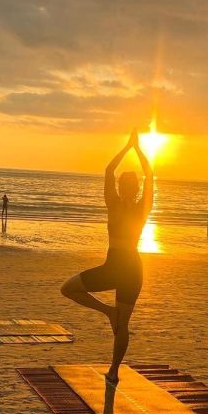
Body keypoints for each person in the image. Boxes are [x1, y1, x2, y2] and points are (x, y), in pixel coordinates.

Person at [61, 129, 153, 384]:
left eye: (129, 185)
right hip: (114, 266)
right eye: (123, 185)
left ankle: (114, 370)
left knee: (122, 326)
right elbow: (108, 171)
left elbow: (150, 176)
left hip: (131, 269)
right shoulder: (113, 203)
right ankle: (107, 312)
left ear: (134, 189)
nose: (125, 188)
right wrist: (127, 147)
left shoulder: (142, 207)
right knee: (68, 289)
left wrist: (138, 149)